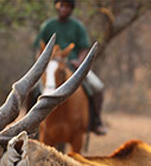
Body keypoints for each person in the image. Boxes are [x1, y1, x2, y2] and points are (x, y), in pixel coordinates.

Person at [30, 0, 107, 135]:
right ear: (56, 6)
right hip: (50, 66)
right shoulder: (48, 26)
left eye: (68, 6)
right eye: (62, 5)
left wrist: (80, 62)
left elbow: (84, 48)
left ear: (72, 9)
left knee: (97, 86)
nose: (64, 9)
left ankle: (96, 121)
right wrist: (40, 63)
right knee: (32, 89)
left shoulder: (78, 27)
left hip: (72, 65)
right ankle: (29, 123)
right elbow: (39, 48)